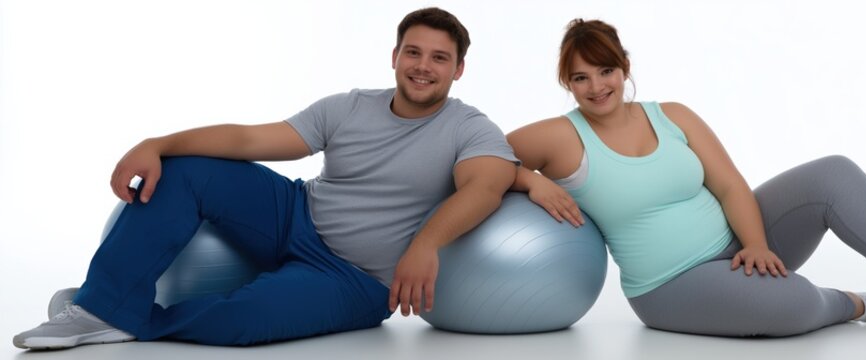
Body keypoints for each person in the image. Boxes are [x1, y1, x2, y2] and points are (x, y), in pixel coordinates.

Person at [13, 7, 517, 350]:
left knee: (243, 323)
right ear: (395, 56)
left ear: (459, 69)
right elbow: (250, 141)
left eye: (438, 58)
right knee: (186, 170)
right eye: (413, 52)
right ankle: (99, 305)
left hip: (354, 279)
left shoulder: (469, 127)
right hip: (293, 214)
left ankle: (122, 317)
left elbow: (485, 186)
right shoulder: (348, 106)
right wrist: (158, 143)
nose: (422, 67)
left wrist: (425, 244)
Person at [507, 18, 866, 337]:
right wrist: (531, 181)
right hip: (670, 285)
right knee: (791, 307)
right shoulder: (556, 136)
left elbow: (728, 185)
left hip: (741, 247)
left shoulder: (672, 114)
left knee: (833, 173)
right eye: (580, 77)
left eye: (605, 71)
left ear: (624, 67)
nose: (596, 87)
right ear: (566, 83)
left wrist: (756, 245)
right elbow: (480, 160)